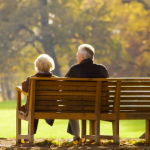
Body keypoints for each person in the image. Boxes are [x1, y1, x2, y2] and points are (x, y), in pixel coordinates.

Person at [65, 44, 109, 141]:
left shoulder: (75, 69)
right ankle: (91, 136)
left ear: (82, 56)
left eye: (77, 54)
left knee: (71, 103)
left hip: (79, 107)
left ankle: (76, 136)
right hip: (101, 106)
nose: (77, 57)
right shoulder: (102, 69)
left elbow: (64, 86)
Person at [19, 54, 56, 134]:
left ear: (37, 66)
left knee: (32, 106)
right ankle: (48, 116)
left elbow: (24, 88)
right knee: (36, 105)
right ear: (50, 66)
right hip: (50, 108)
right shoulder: (56, 80)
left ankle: (30, 135)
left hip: (34, 107)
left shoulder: (31, 79)